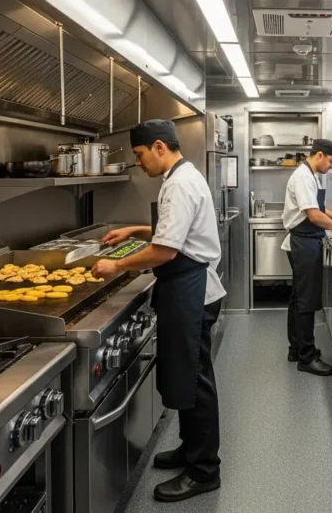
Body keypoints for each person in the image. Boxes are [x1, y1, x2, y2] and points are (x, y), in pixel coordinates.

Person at [91, 119, 224, 503]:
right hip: (187, 288)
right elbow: (175, 231)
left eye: (139, 154)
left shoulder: (179, 184)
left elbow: (166, 250)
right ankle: (190, 449)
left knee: (195, 382)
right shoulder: (182, 176)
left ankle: (204, 471)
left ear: (159, 147)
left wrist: (116, 265)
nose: (138, 162)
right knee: (186, 375)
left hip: (191, 292)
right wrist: (135, 230)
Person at [281, 138, 332, 376]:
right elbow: (314, 216)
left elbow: (319, 208)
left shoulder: (311, 175)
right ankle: (307, 357)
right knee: (306, 301)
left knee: (298, 298)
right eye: (331, 161)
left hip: (306, 240)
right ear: (319, 156)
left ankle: (296, 348)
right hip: (304, 242)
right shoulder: (303, 177)